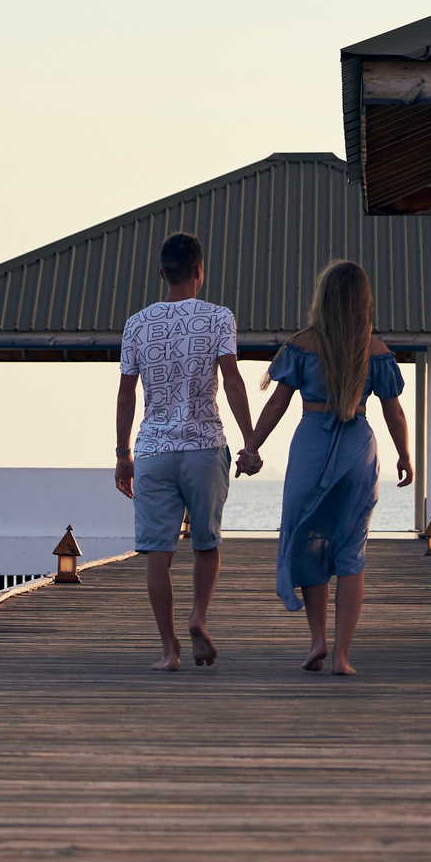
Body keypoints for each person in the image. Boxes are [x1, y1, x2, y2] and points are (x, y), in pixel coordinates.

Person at [239, 259, 411, 675]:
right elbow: (395, 413)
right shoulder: (376, 350)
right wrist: (405, 456)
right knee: (351, 553)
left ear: (324, 298)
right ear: (364, 301)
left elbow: (277, 404)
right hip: (358, 447)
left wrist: (251, 447)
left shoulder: (302, 345)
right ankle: (342, 656)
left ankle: (317, 640)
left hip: (311, 444)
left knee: (309, 539)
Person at [115, 231, 259, 671]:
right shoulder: (218, 318)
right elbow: (232, 381)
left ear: (163, 273)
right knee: (206, 542)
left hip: (155, 450)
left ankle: (169, 650)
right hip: (204, 446)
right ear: (200, 270)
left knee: (158, 552)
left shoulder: (137, 324)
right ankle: (198, 616)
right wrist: (250, 441)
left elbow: (126, 395)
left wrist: (123, 453)